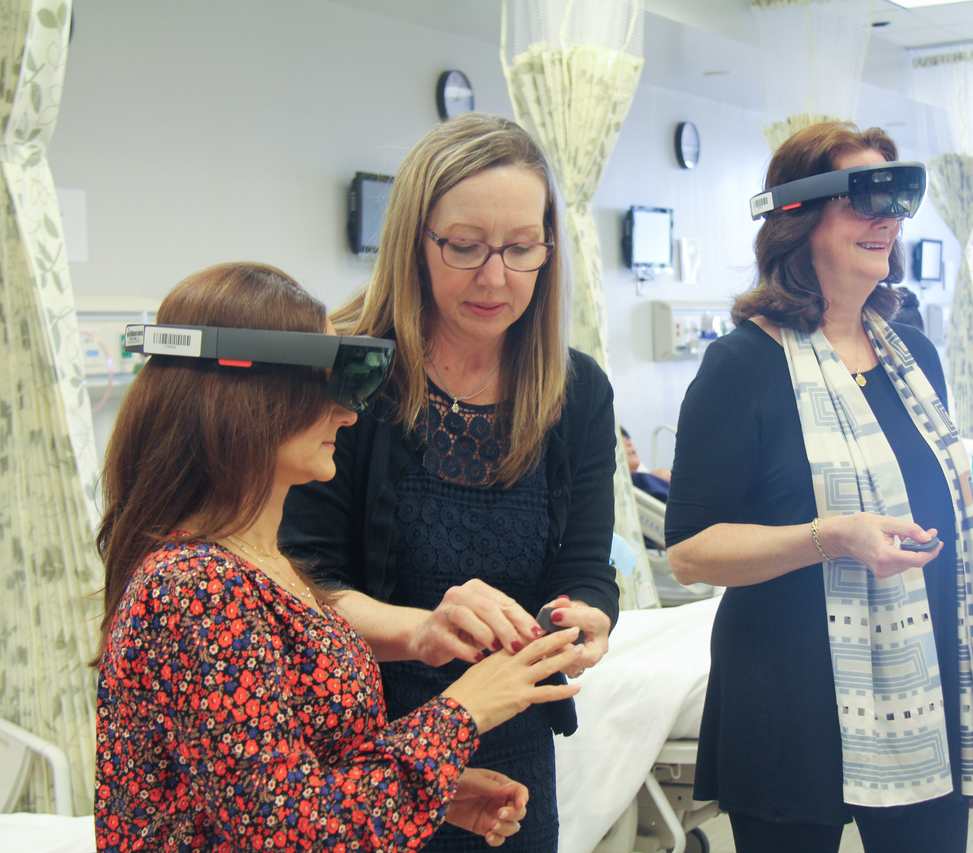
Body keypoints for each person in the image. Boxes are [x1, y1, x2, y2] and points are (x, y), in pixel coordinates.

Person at [94, 262, 588, 851]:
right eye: (328, 384)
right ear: (246, 399)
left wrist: (434, 789)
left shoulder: (265, 568)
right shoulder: (195, 588)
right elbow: (288, 833)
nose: (347, 412)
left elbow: (296, 780)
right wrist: (463, 711)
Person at [664, 122, 973, 853]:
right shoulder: (743, 366)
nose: (887, 220)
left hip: (921, 696)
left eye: (896, 201)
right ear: (796, 216)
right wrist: (833, 537)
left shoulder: (912, 355)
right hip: (790, 703)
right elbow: (691, 552)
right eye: (864, 201)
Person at [281, 113, 620, 852]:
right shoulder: (347, 373)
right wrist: (425, 630)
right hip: (358, 747)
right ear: (414, 240)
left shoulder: (576, 391)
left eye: (521, 248)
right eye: (465, 247)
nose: (495, 277)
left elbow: (587, 563)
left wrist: (587, 615)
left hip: (510, 752)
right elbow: (297, 589)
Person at [621, 426, 671, 502]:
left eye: (628, 440)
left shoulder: (648, 477)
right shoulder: (640, 480)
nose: (630, 444)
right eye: (621, 442)